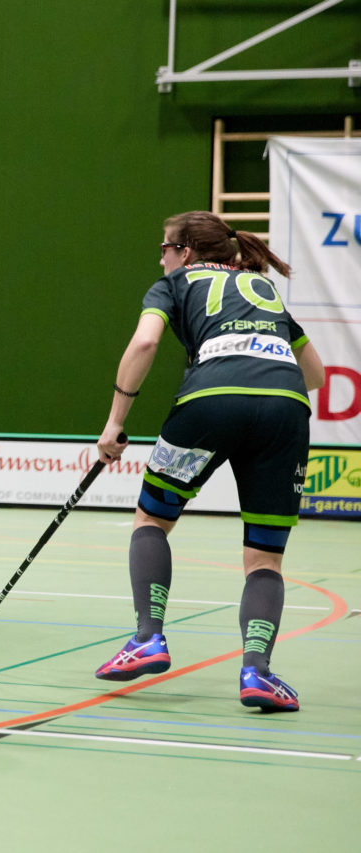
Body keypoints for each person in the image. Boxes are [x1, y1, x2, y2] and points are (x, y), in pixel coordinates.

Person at [92, 210, 325, 712]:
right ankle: (257, 673)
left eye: (165, 248)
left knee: (152, 518)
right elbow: (317, 375)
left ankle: (148, 639)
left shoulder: (173, 284)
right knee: (265, 558)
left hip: (210, 400)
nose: (160, 258)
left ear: (187, 253)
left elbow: (146, 342)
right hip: (287, 408)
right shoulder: (263, 291)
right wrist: (264, 395)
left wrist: (114, 423)